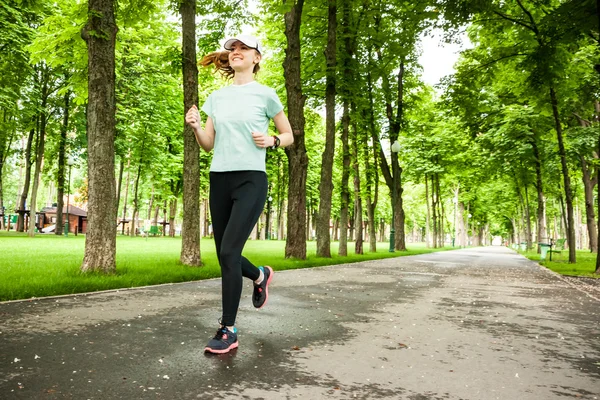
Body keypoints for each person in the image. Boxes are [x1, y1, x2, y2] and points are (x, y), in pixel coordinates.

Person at [185, 34, 294, 354]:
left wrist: (273, 140)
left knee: (229, 254)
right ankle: (260, 275)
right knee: (225, 255)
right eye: (233, 49)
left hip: (251, 180)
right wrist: (194, 127)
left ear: (256, 58)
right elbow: (208, 144)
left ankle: (228, 329)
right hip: (219, 179)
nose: (236, 52)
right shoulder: (216, 98)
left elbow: (288, 134)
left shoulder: (266, 94)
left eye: (244, 48)